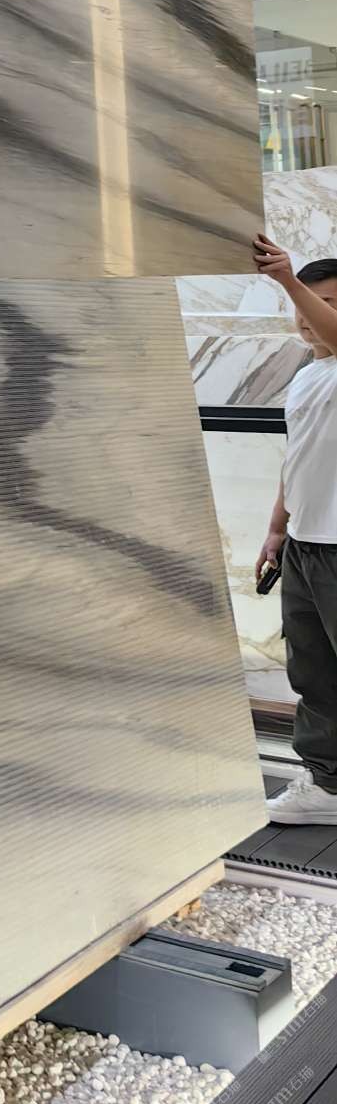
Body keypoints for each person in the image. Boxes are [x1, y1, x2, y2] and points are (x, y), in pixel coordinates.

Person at [254, 234, 337, 823]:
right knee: (313, 673)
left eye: (324, 302)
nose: (307, 314)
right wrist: (277, 531)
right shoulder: (310, 375)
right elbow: (297, 456)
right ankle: (329, 787)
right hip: (307, 548)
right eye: (303, 302)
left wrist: (287, 278)